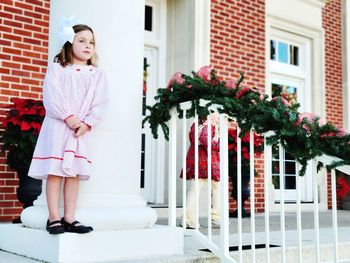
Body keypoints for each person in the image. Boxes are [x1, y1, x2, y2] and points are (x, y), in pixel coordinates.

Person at [28, 24, 108, 234]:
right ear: (69, 43)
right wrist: (68, 116)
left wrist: (87, 123)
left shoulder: (97, 75)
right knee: (55, 172)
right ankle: (53, 217)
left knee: (72, 173)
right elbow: (52, 95)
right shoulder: (57, 69)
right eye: (81, 40)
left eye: (91, 42)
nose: (87, 45)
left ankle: (69, 217)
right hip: (58, 126)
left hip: (79, 130)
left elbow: (100, 102)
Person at [180, 113, 220, 229]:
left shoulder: (195, 124)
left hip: (196, 159)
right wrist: (218, 145)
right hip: (207, 161)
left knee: (194, 190)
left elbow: (194, 139)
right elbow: (204, 138)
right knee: (217, 187)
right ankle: (216, 217)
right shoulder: (210, 124)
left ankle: (188, 220)